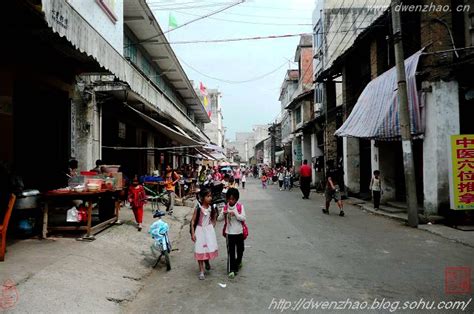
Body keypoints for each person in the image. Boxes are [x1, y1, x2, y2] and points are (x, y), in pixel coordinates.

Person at [190, 188, 218, 280]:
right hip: (200, 231)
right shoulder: (198, 209)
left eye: (210, 196)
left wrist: (212, 225)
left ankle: (207, 261)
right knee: (200, 250)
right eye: (207, 196)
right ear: (202, 198)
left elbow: (214, 216)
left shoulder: (211, 208)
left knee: (208, 248)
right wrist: (193, 233)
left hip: (209, 231)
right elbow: (193, 221)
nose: (210, 198)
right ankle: (201, 271)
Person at [222, 188, 246, 279]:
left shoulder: (240, 207)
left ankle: (239, 261)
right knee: (231, 252)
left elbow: (243, 218)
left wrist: (235, 214)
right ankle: (232, 269)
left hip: (239, 232)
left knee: (240, 250)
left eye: (233, 199)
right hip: (229, 233)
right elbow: (219, 219)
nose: (231, 201)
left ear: (236, 199)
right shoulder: (225, 207)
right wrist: (223, 214)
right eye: (229, 199)